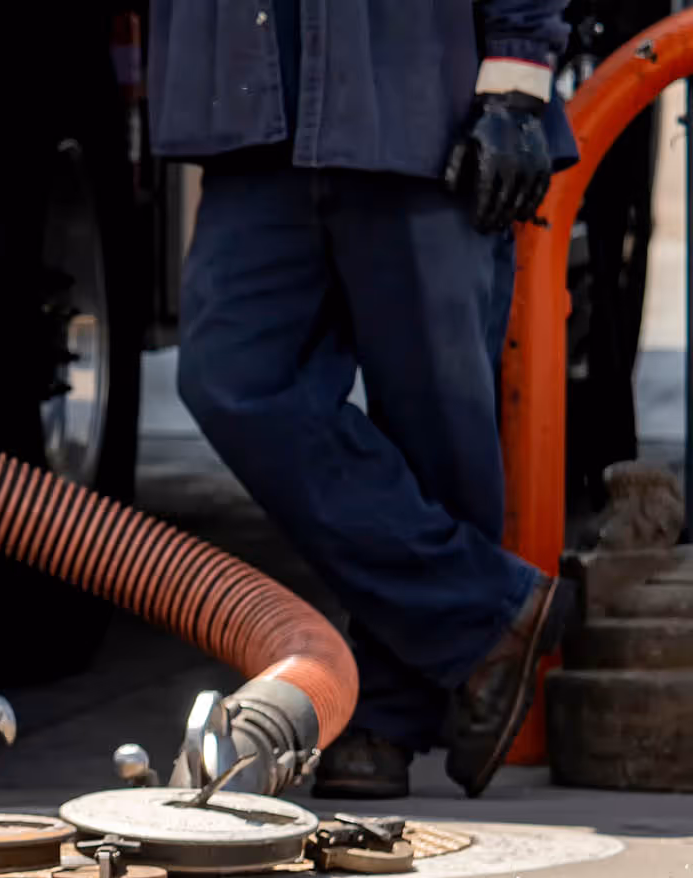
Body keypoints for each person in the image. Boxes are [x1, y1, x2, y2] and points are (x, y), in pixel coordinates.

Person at [151, 0, 576, 798]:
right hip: (258, 113)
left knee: (435, 420)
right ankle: (488, 615)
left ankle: (389, 715)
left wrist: (517, 84)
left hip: (423, 107)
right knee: (232, 377)